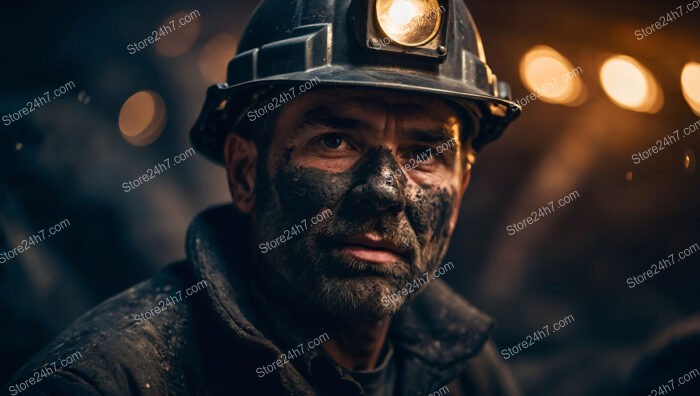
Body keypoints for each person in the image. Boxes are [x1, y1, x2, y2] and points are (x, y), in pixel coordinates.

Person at [8, 0, 521, 394]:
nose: (385, 191)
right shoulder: (108, 381)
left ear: (461, 191)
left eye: (424, 153)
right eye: (335, 141)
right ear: (245, 172)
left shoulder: (469, 372)